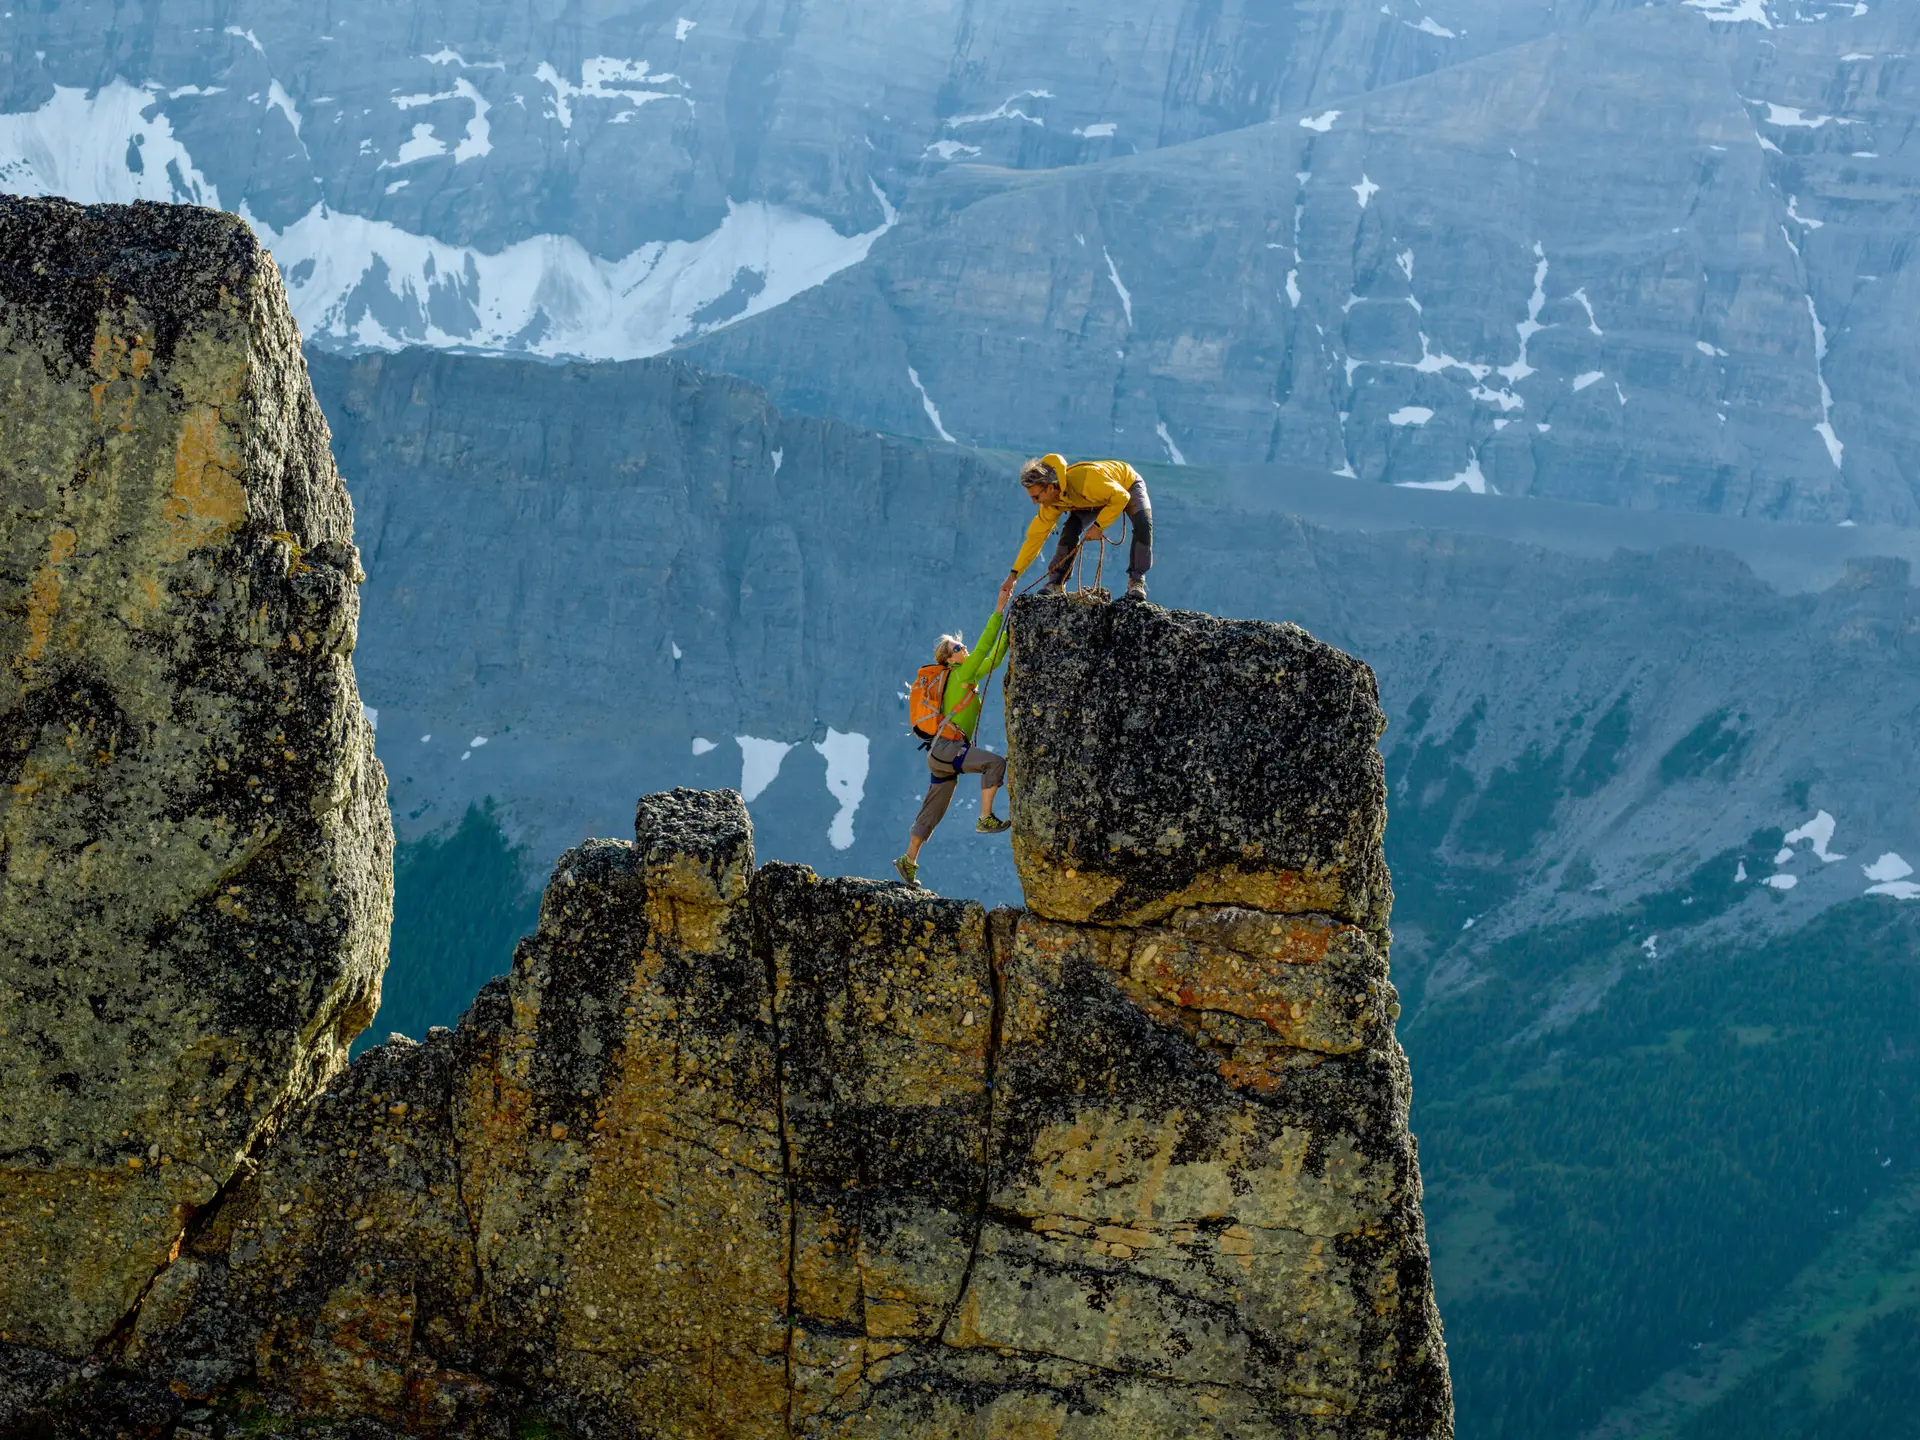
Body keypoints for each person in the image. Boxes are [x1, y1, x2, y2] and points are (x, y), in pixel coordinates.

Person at [894, 600, 1011, 887]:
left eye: (961, 645)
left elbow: (993, 658)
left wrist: (1008, 635)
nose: (964, 648)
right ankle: (985, 818)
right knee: (995, 764)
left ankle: (907, 860)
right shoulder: (962, 674)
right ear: (949, 659)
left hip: (940, 753)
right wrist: (1000, 616)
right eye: (957, 648)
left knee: (933, 809)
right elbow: (987, 651)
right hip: (948, 749)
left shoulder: (957, 677)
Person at [996, 453, 1152, 606]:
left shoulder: (1086, 480)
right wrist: (1013, 576)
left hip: (1127, 484)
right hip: (1089, 499)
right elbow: (1034, 539)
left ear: (1050, 488)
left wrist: (1098, 526)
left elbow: (1122, 497)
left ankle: (1136, 581)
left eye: (1036, 497)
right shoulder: (1052, 504)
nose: (1034, 502)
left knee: (1143, 524)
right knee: (1070, 531)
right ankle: (1056, 583)